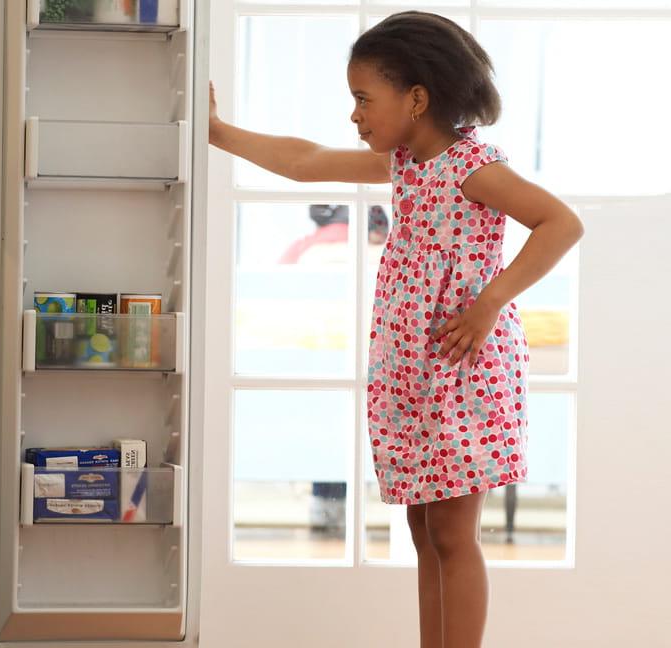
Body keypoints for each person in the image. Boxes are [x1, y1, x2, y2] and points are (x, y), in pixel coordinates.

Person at [209, 11, 583, 648]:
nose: (354, 115)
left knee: (452, 534)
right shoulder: (406, 162)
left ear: (416, 98)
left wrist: (490, 300)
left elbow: (560, 223)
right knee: (421, 531)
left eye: (362, 98)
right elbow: (303, 161)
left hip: (464, 365)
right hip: (412, 364)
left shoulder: (473, 166)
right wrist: (218, 133)